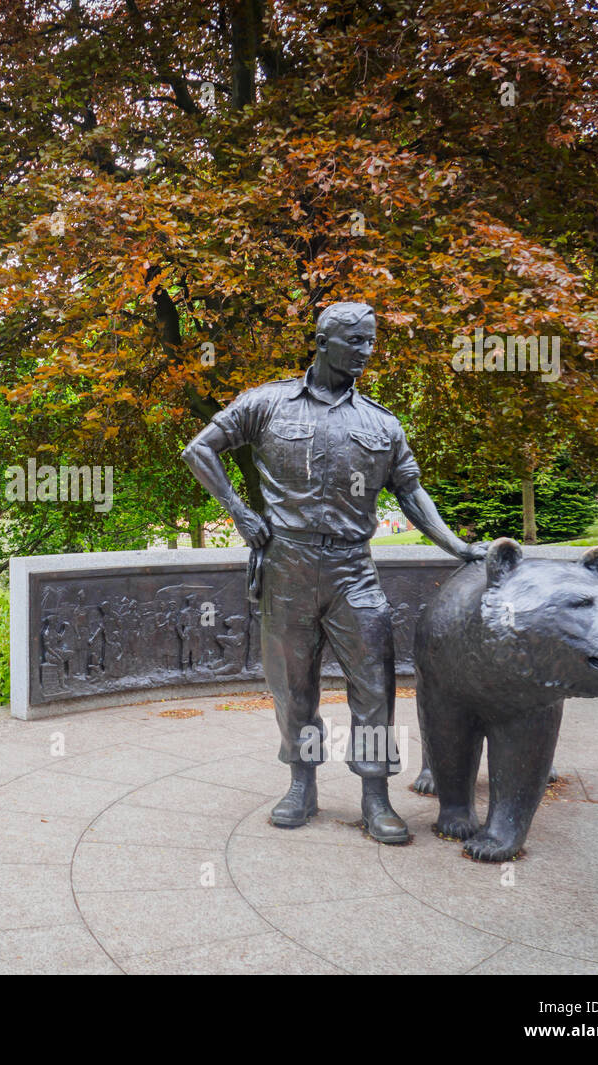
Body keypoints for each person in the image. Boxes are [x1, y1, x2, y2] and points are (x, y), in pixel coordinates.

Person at [182, 300, 486, 844]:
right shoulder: (266, 403)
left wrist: (456, 545)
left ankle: (375, 798)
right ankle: (302, 785)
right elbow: (200, 450)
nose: (367, 352)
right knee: (292, 689)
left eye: (372, 341)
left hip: (352, 568)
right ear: (323, 341)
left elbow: (411, 491)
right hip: (286, 565)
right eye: (357, 341)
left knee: (375, 686)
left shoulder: (380, 422)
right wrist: (239, 509)